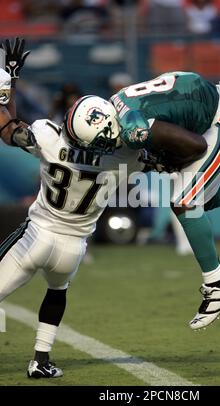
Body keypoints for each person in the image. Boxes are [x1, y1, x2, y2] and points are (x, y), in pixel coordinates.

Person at [93, 71, 220, 330]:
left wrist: (165, 160)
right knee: (197, 200)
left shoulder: (135, 124)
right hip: (215, 114)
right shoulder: (118, 106)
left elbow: (196, 147)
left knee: (185, 202)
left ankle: (217, 285)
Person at [0, 38, 141, 378]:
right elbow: (156, 154)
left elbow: (6, 129)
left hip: (36, 237)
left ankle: (42, 360)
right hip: (73, 249)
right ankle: (41, 360)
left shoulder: (48, 137)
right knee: (57, 291)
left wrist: (9, 83)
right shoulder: (126, 160)